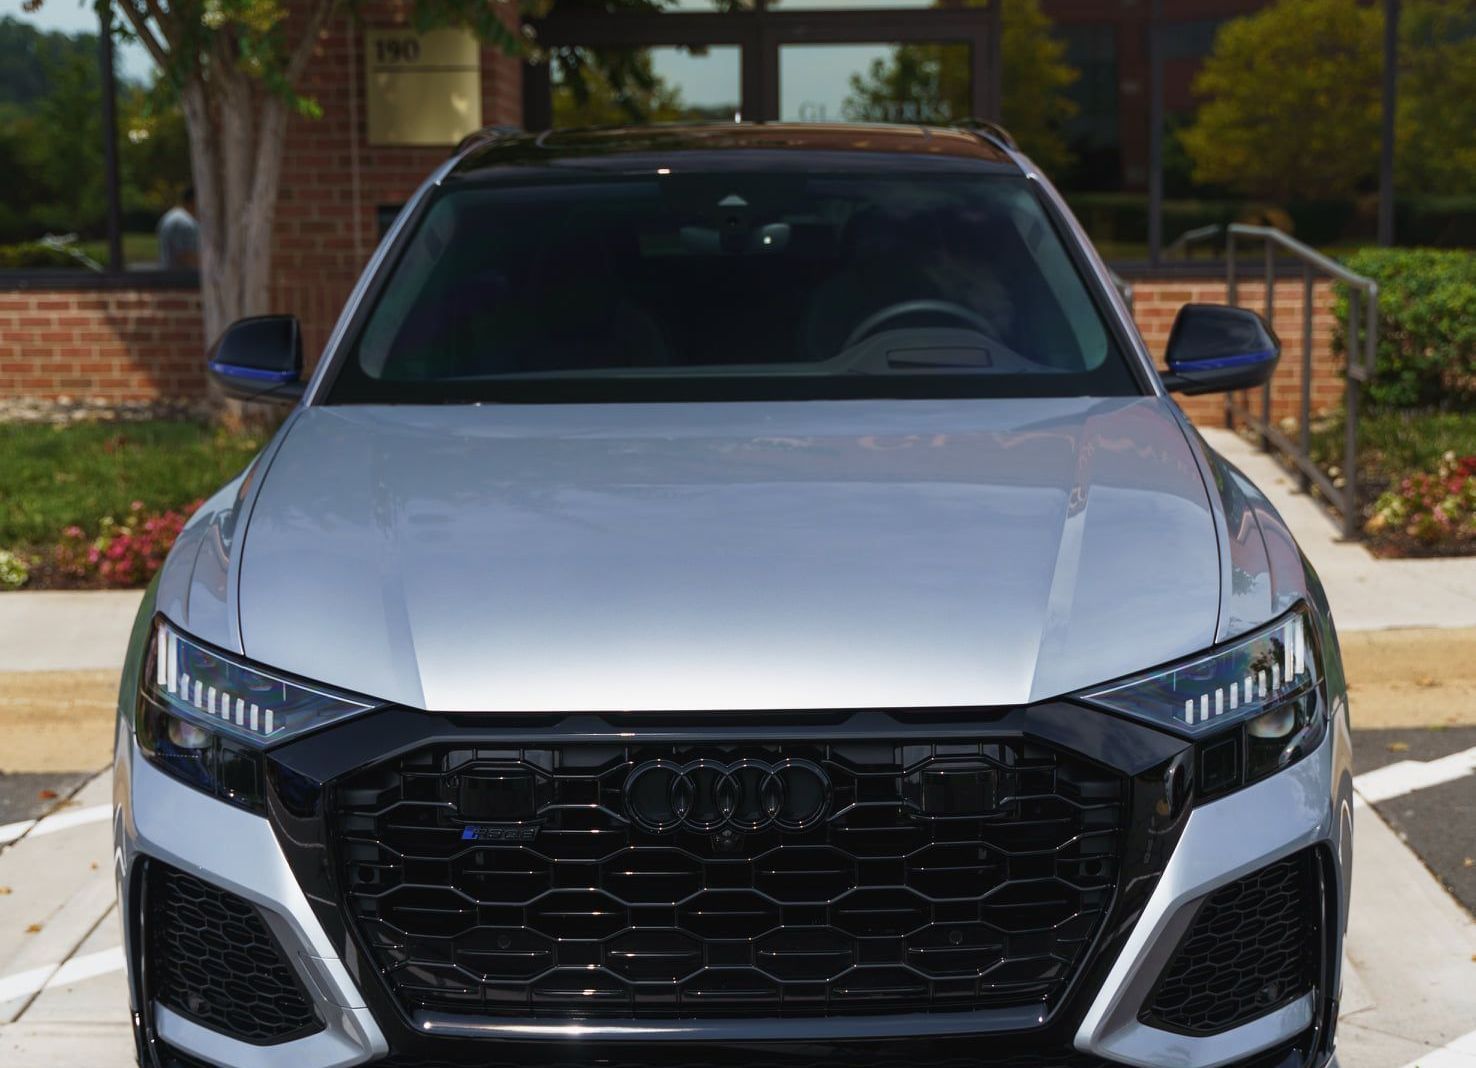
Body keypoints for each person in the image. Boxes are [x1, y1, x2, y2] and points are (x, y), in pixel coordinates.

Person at [157, 186, 200, 270]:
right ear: (193, 201)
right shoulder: (184, 222)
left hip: (169, 274)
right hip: (180, 277)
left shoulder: (173, 215)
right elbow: (185, 255)